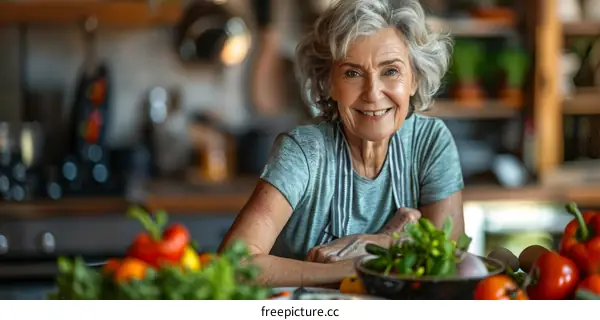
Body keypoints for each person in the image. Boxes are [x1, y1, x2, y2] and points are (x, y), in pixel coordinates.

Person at [219, 0, 464, 287]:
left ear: (415, 79)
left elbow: (448, 261)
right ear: (328, 83)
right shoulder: (304, 151)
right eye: (352, 73)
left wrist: (379, 242)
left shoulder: (429, 142)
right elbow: (235, 263)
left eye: (391, 71)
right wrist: (357, 267)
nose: (373, 93)